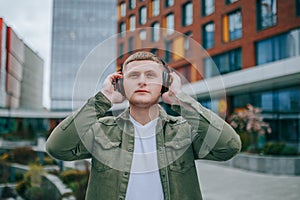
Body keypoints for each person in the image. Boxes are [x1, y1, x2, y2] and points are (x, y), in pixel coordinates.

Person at [46, 51, 241, 200]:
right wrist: (103, 99)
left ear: (163, 85)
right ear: (122, 85)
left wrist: (180, 100)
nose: (142, 81)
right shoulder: (101, 130)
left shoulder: (184, 130)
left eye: (150, 75)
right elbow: (57, 148)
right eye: (133, 76)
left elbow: (229, 146)